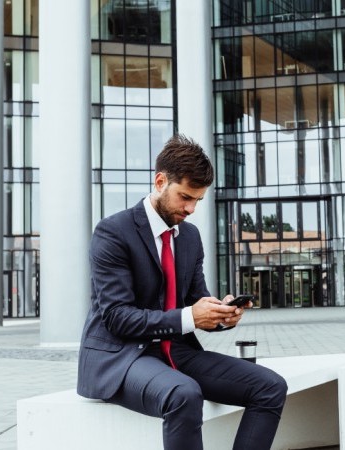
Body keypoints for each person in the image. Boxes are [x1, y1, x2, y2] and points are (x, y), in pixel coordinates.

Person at [77, 134, 288, 450]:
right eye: (185, 197)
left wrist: (221, 314)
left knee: (270, 386)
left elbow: (195, 301)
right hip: (121, 357)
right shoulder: (113, 232)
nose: (191, 208)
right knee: (184, 393)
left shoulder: (189, 237)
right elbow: (117, 318)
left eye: (198, 200)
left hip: (175, 351)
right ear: (160, 181)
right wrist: (191, 316)